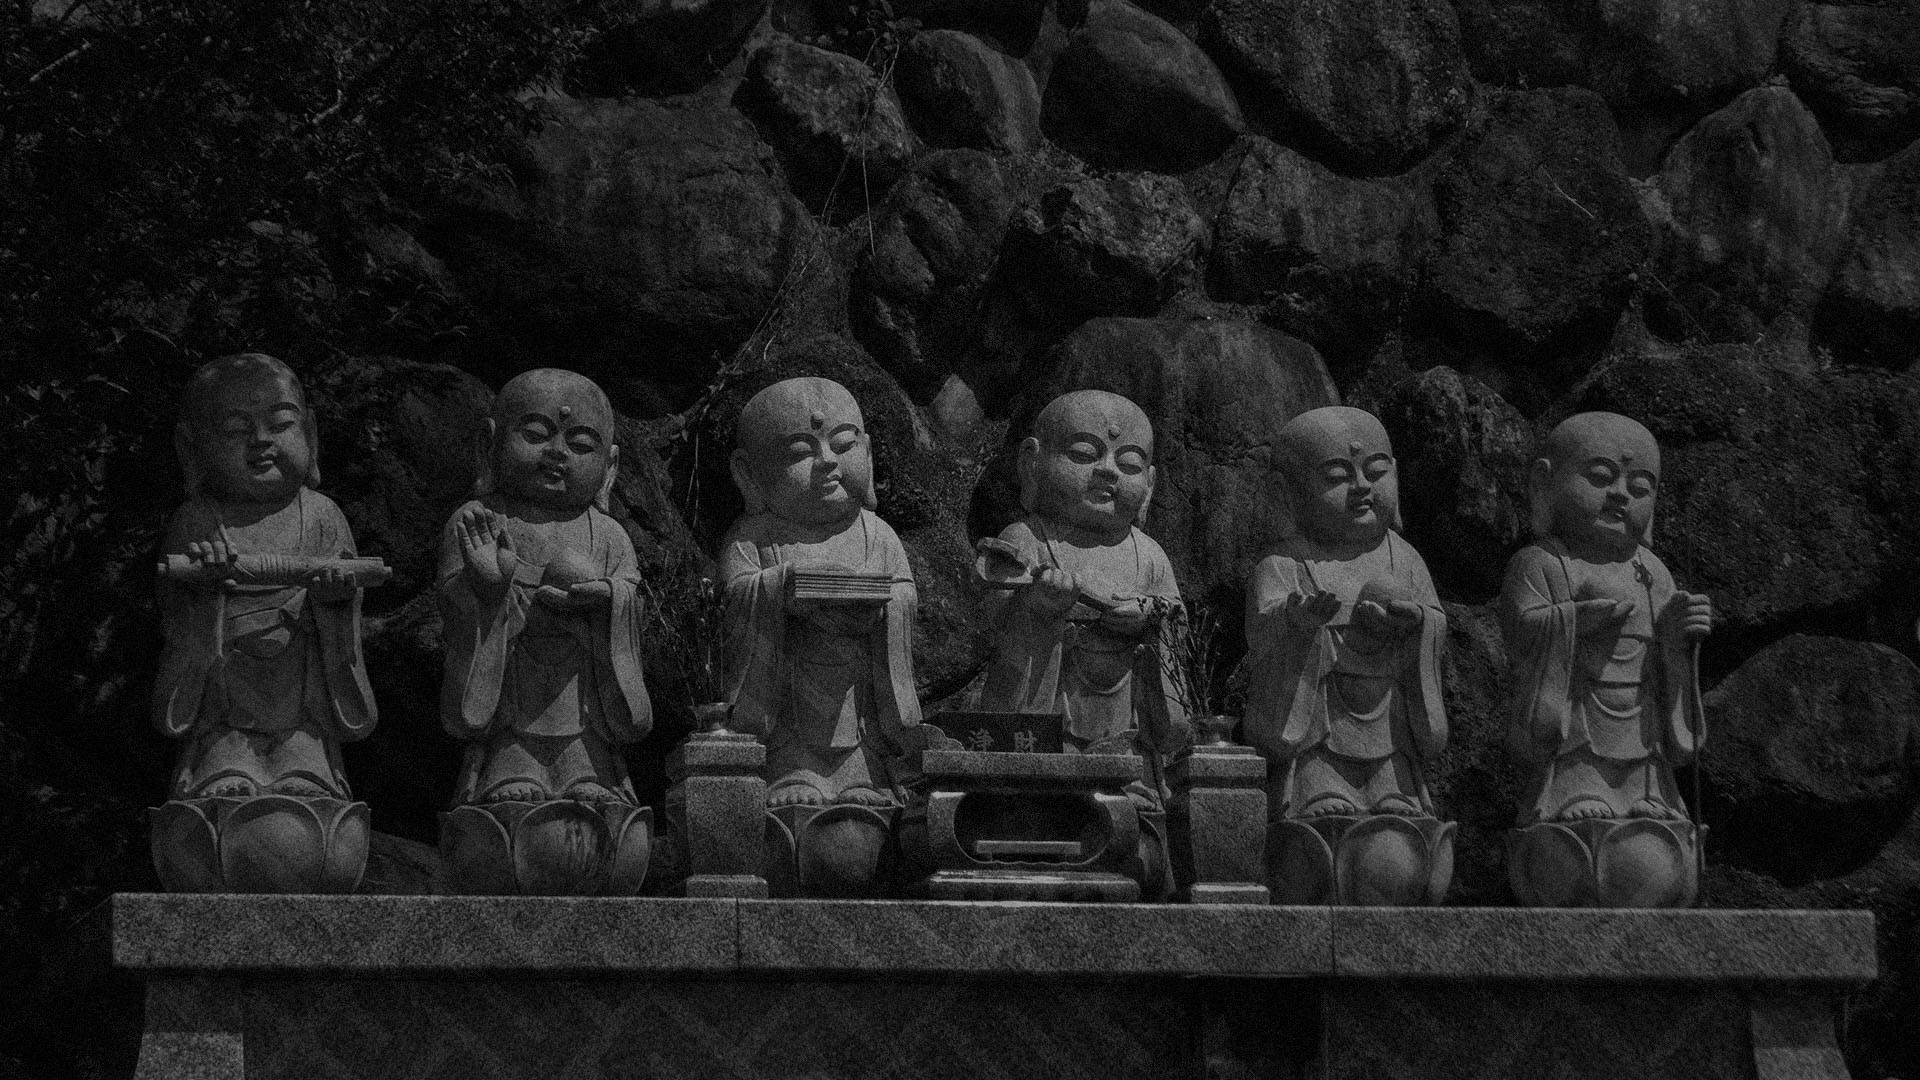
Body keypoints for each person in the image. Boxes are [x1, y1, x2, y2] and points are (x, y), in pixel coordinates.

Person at [155, 353, 376, 800]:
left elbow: (342, 632)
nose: (261, 440)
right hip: (224, 715)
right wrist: (206, 598)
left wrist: (334, 603)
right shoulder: (198, 520)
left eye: (280, 424)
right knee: (223, 780)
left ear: (310, 432)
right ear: (192, 448)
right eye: (235, 430)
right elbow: (178, 625)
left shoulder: (322, 516)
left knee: (307, 784)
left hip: (302, 712)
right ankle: (222, 756)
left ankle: (303, 757)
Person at [438, 368, 651, 804]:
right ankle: (509, 765)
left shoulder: (609, 536)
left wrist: (610, 601)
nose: (557, 452)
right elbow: (453, 606)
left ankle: (587, 769)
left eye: (581, 445)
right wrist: (487, 590)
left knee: (593, 786)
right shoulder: (478, 521)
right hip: (510, 704)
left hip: (585, 703)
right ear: (489, 445)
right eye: (535, 435)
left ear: (609, 467)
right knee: (512, 784)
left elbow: (633, 601)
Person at [1500, 411, 1712, 824]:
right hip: (1577, 722)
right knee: (1581, 779)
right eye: (1600, 478)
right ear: (1545, 483)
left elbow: (1669, 659)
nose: (1621, 495)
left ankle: (1646, 792)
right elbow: (1522, 634)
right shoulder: (1542, 563)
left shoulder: (1654, 572)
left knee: (1654, 810)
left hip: (1643, 723)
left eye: (1639, 488)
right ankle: (1576, 787)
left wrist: (1678, 637)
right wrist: (1573, 623)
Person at [721, 377, 920, 807]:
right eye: (800, 452)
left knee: (863, 761)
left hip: (859, 693)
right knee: (794, 756)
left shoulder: (879, 534)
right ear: (748, 474)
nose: (827, 461)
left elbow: (904, 595)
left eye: (844, 444)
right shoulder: (753, 537)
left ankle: (862, 774)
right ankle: (793, 770)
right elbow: (736, 596)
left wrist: (883, 607)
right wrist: (779, 588)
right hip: (787, 701)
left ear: (868, 453)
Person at [1243, 406, 1446, 818]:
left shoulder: (1405, 558)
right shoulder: (1283, 564)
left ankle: (1392, 788)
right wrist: (1298, 624)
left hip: (1389, 714)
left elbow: (1434, 623)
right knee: (1318, 769)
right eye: (1337, 477)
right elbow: (1262, 635)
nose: (1362, 487)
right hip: (1318, 723)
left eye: (1376, 472)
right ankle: (1317, 786)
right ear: (1288, 493)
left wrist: (1416, 624)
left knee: (1395, 780)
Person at [978, 389, 1183, 757]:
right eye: (1085, 455)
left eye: (1129, 464)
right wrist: (1038, 609)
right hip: (1049, 707)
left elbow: (1177, 621)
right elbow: (992, 628)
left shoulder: (1151, 555)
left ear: (1150, 483)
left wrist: (1149, 615)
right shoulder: (1027, 540)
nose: (1107, 470)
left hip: (1129, 716)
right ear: (1033, 462)